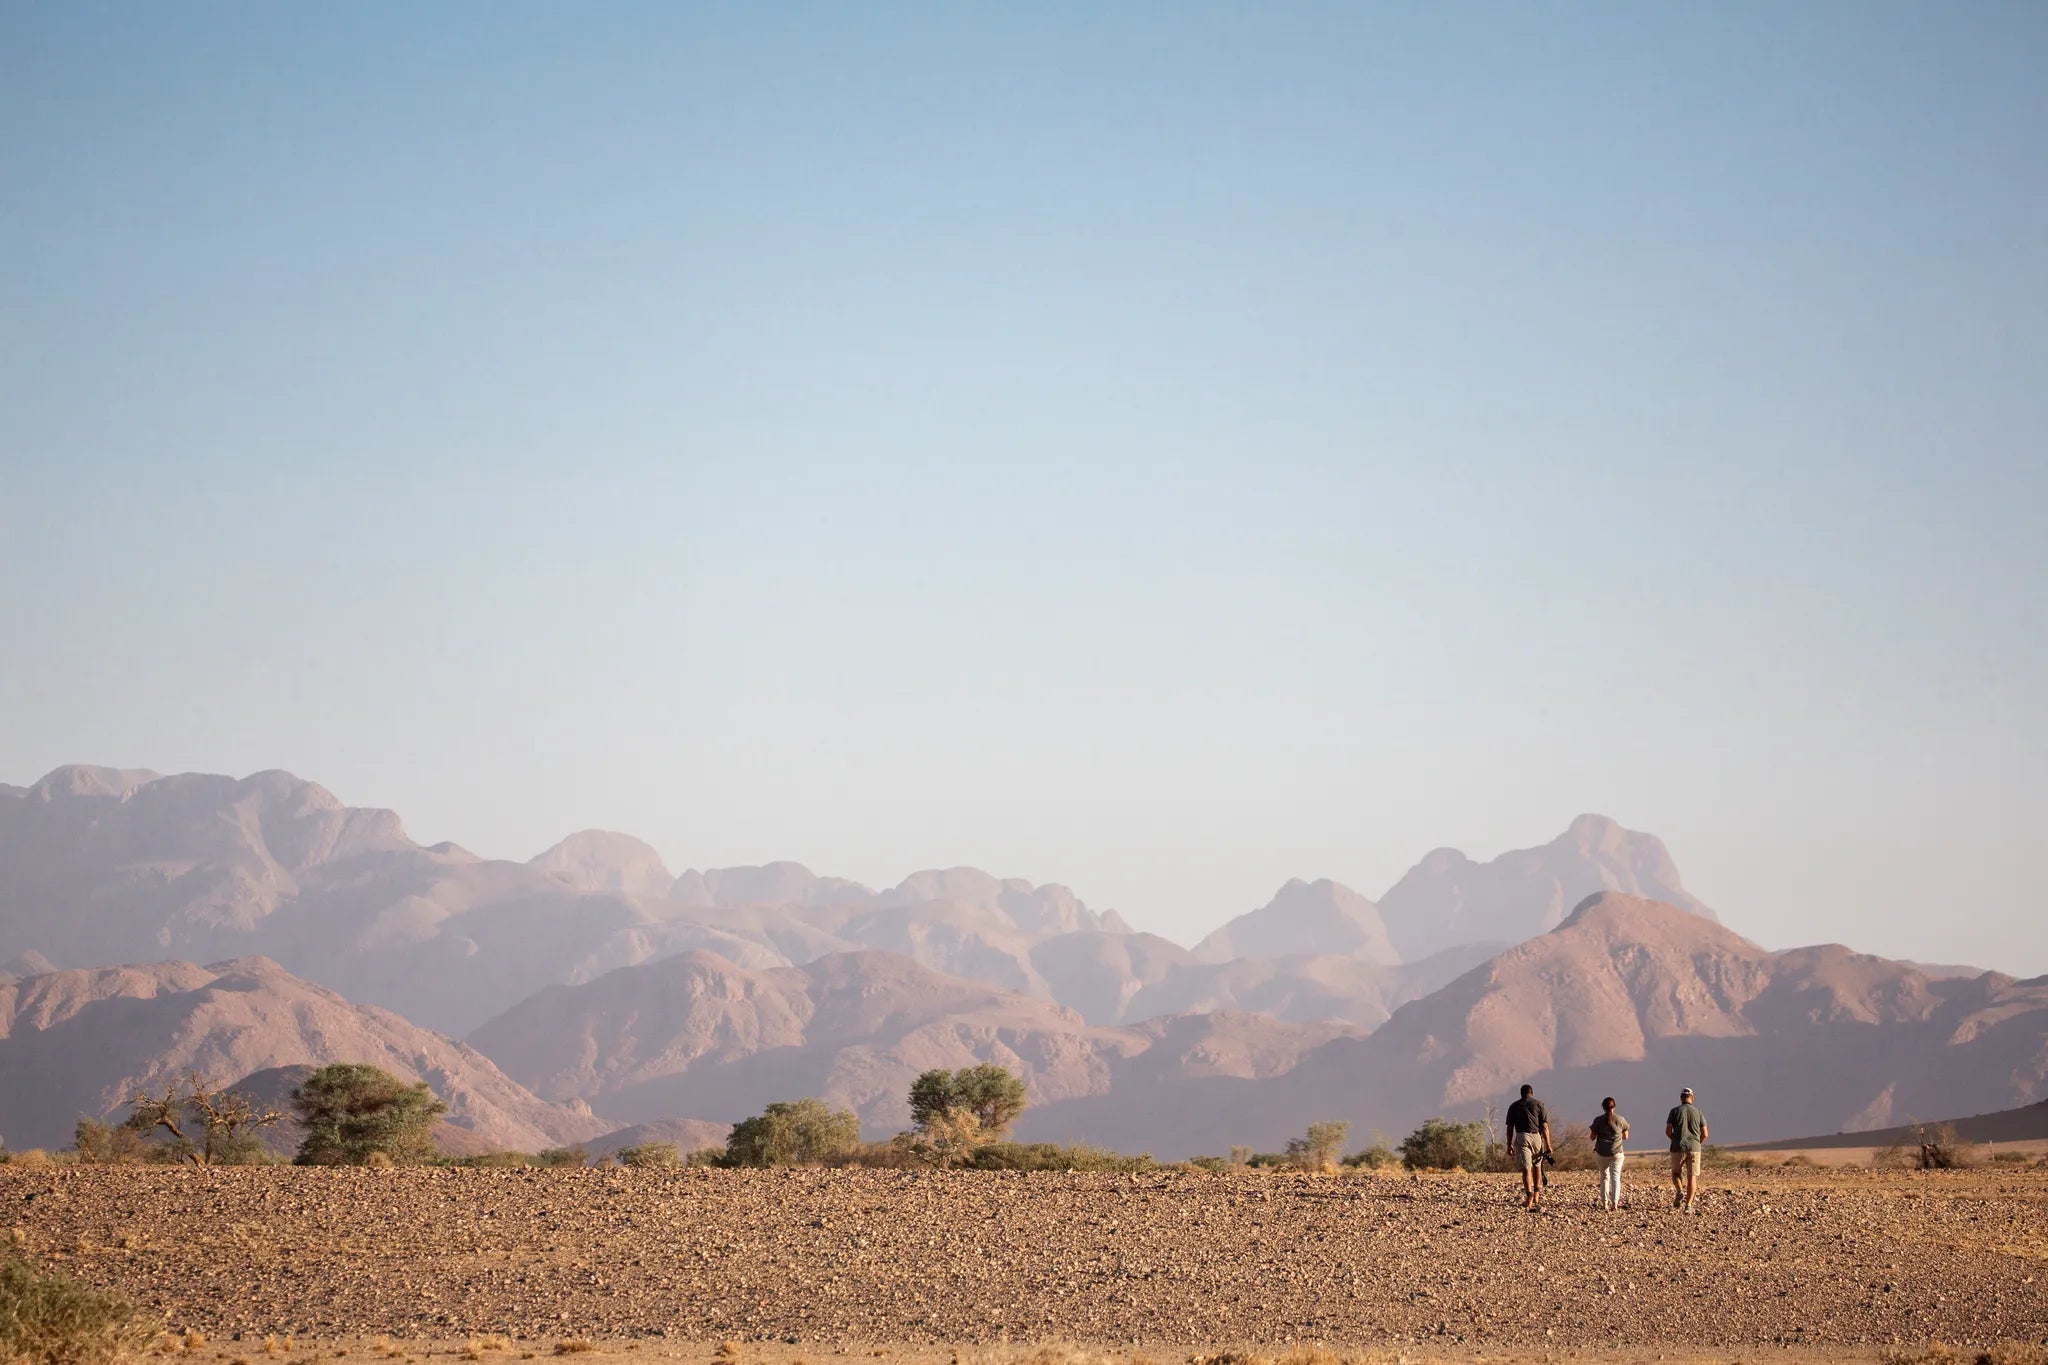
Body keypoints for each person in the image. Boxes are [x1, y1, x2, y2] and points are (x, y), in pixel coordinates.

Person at [1504, 1083, 1553, 1210]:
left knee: (1526, 1168)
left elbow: (1510, 1127)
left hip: (1522, 1136)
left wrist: (1509, 1144)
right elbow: (1544, 1126)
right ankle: (1537, 1194)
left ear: (1521, 1094)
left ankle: (1529, 1196)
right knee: (1537, 1165)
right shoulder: (1539, 1104)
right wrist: (1548, 1144)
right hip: (1537, 1137)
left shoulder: (1514, 1106)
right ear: (1532, 1093)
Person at [1665, 1086, 1708, 1211]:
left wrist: (1674, 1139)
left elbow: (1668, 1130)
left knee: (1675, 1173)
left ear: (1681, 1098)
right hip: (1694, 1147)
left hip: (1678, 1146)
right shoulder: (1698, 1112)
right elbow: (1705, 1133)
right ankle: (1688, 1205)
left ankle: (1679, 1190)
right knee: (1692, 1176)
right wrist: (1697, 1143)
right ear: (1692, 1098)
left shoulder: (1674, 1111)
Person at [1590, 1096, 1629, 1210]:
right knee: (1615, 1178)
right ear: (1614, 1107)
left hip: (1601, 1153)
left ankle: (1604, 1203)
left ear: (1603, 1107)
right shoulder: (1621, 1120)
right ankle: (1615, 1204)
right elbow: (1626, 1136)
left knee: (1604, 1177)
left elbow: (1592, 1137)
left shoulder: (1597, 1120)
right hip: (1617, 1153)